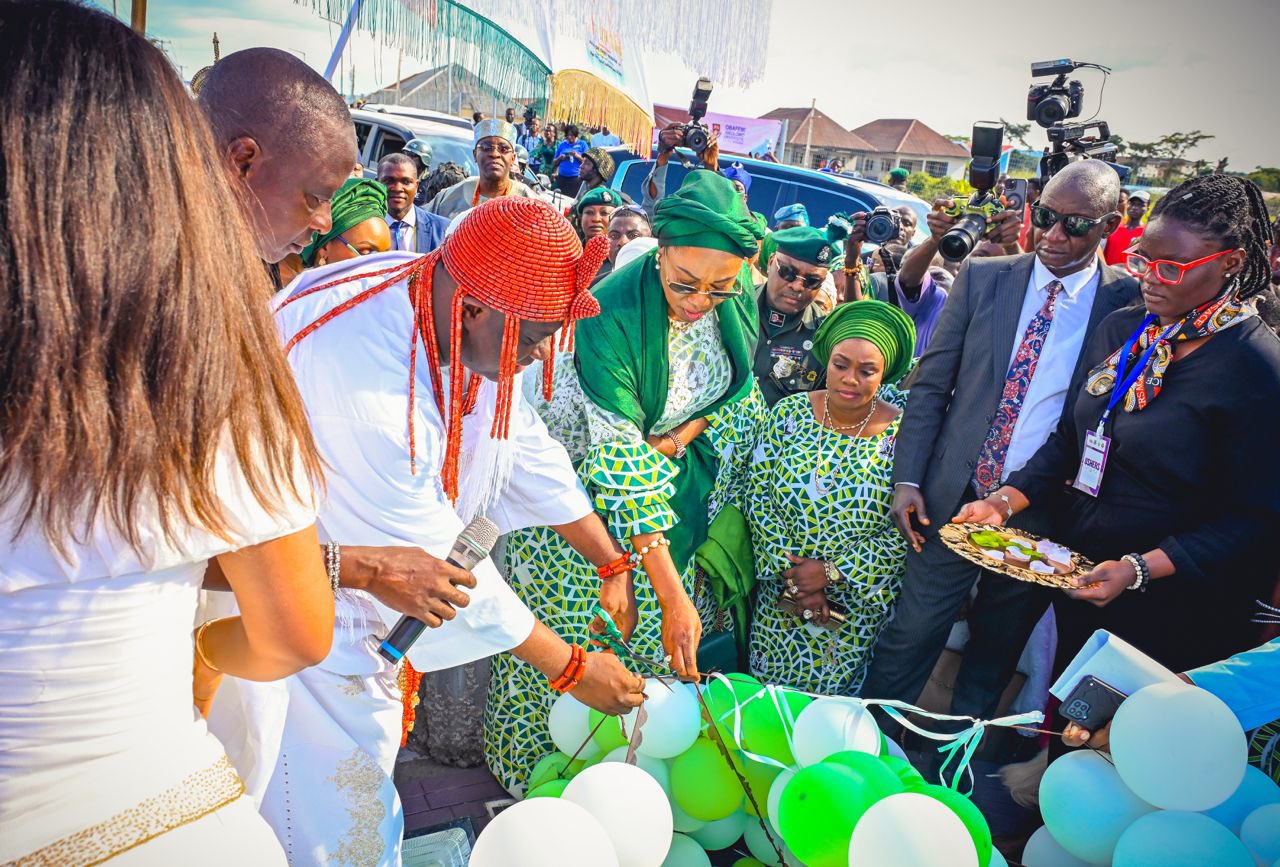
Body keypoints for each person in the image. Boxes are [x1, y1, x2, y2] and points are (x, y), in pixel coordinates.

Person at [0, 4, 333, 862]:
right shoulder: (216, 349)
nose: (325, 225)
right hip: (163, 822)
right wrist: (192, 645)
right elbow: (296, 632)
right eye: (317, 197)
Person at [244, 199, 647, 862]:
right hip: (301, 605)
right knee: (330, 808)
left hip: (355, 582)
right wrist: (572, 670)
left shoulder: (450, 298)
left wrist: (611, 560)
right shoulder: (367, 383)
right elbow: (433, 559)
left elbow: (518, 439)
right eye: (535, 343)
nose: (537, 359)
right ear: (472, 311)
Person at [484, 170, 768, 792]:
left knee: (645, 658)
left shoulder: (735, 296)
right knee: (572, 645)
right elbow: (619, 459)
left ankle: (620, 786)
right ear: (659, 251)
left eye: (720, 289)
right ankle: (537, 784)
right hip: (578, 514)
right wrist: (670, 592)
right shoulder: (608, 312)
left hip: (672, 501)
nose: (700, 302)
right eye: (684, 284)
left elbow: (735, 392)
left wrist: (676, 439)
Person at [954, 174, 1280, 684]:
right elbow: (1071, 441)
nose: (1150, 278)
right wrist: (1003, 502)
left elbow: (1256, 519)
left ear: (1231, 262)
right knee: (1070, 727)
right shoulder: (1126, 329)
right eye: (1143, 261)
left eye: (1170, 268)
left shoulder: (1257, 368)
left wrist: (1139, 567)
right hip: (1084, 576)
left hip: (1175, 607)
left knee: (1125, 745)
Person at [860, 160, 1140, 730]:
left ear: (1111, 224)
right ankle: (864, 745)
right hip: (950, 495)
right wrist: (908, 479)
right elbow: (933, 383)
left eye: (1076, 226)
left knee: (994, 653)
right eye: (1045, 217)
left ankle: (946, 770)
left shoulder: (1128, 303)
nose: (1054, 236)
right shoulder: (987, 278)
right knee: (911, 635)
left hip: (1044, 511)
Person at [746, 302, 916, 695]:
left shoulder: (904, 434)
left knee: (830, 710)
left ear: (885, 372)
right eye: (841, 365)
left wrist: (831, 573)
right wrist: (799, 580)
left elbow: (903, 527)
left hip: (856, 607)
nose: (850, 379)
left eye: (867, 370)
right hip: (781, 595)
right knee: (765, 704)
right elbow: (757, 495)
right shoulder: (789, 414)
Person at [198, 47, 355, 285]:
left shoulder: (258, 263)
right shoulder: (141, 275)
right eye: (317, 198)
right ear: (242, 162)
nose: (325, 224)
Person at [879, 197, 1024, 354]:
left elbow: (1026, 284)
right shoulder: (938, 301)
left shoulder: (1007, 315)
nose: (989, 265)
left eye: (1001, 262)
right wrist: (936, 239)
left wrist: (1011, 246)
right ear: (963, 262)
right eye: (981, 257)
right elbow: (907, 280)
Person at [753, 219, 850, 406]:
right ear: (772, 262)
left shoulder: (825, 336)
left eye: (812, 281)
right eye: (788, 272)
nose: (797, 286)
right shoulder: (735, 306)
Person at [426, 119, 535, 219]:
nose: (494, 154)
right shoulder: (449, 198)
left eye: (503, 149)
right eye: (486, 148)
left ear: (513, 158)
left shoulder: (530, 201)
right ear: (475, 155)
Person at [300, 177, 392, 266]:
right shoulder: (291, 281)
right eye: (367, 254)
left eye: (384, 257)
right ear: (324, 249)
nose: (379, 266)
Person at [379, 154, 450, 254]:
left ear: (417, 186)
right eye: (389, 181)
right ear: (376, 183)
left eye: (406, 182)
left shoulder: (443, 231)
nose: (398, 188)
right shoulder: (360, 229)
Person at [1103, 188, 1150, 265]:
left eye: (1140, 205)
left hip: (1128, 275)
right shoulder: (1114, 227)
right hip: (1107, 273)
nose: (1134, 207)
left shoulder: (1146, 233)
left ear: (1147, 209)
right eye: (1132, 203)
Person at [604, 204, 654, 272]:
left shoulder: (668, 280)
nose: (622, 242)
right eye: (614, 236)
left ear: (650, 239)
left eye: (634, 236)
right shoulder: (596, 282)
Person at [553, 124, 589, 196]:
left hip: (575, 178)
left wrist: (577, 156)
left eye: (572, 135)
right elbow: (554, 163)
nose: (569, 137)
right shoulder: (562, 144)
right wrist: (560, 158)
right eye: (568, 135)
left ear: (576, 135)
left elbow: (588, 162)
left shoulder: (582, 144)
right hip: (562, 178)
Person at [402, 138, 434, 205]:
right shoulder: (397, 176)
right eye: (406, 154)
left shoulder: (430, 184)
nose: (407, 158)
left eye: (412, 155)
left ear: (423, 160)